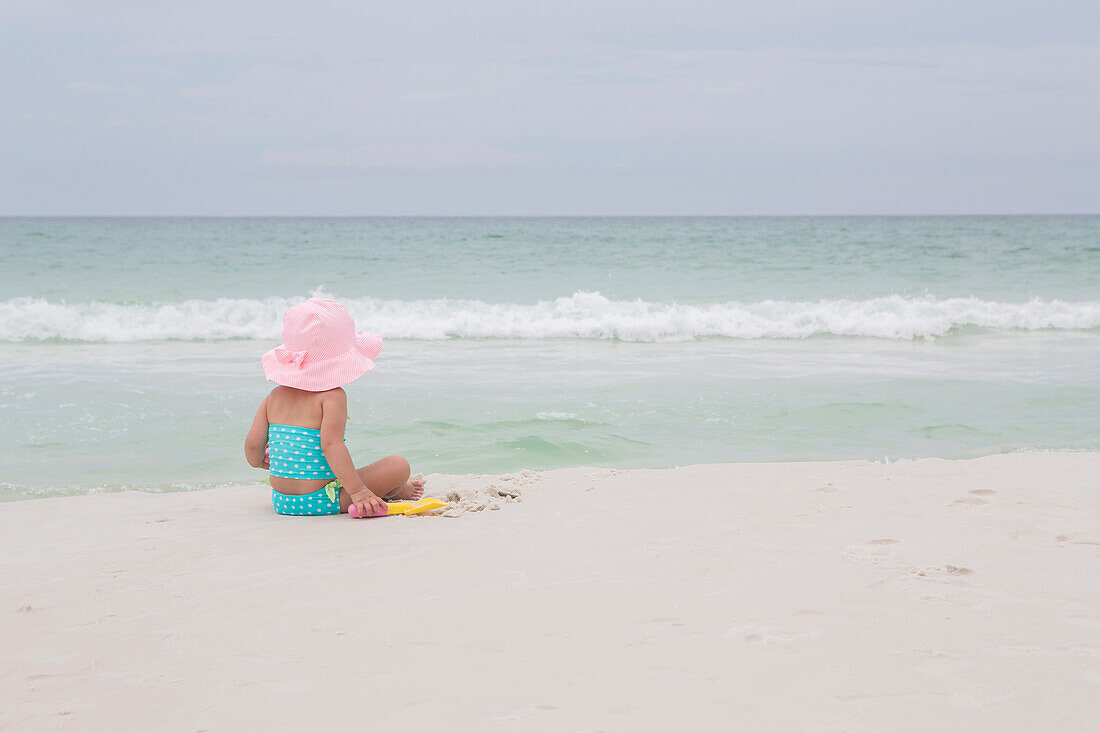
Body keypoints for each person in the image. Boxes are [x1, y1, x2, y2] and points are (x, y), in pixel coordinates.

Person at [244, 298, 424, 517]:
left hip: (281, 501)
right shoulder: (332, 397)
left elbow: (253, 450)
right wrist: (358, 492)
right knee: (398, 466)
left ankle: (394, 490)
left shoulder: (273, 397)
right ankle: (397, 490)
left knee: (363, 475)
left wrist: (274, 463)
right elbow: (331, 445)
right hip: (321, 499)